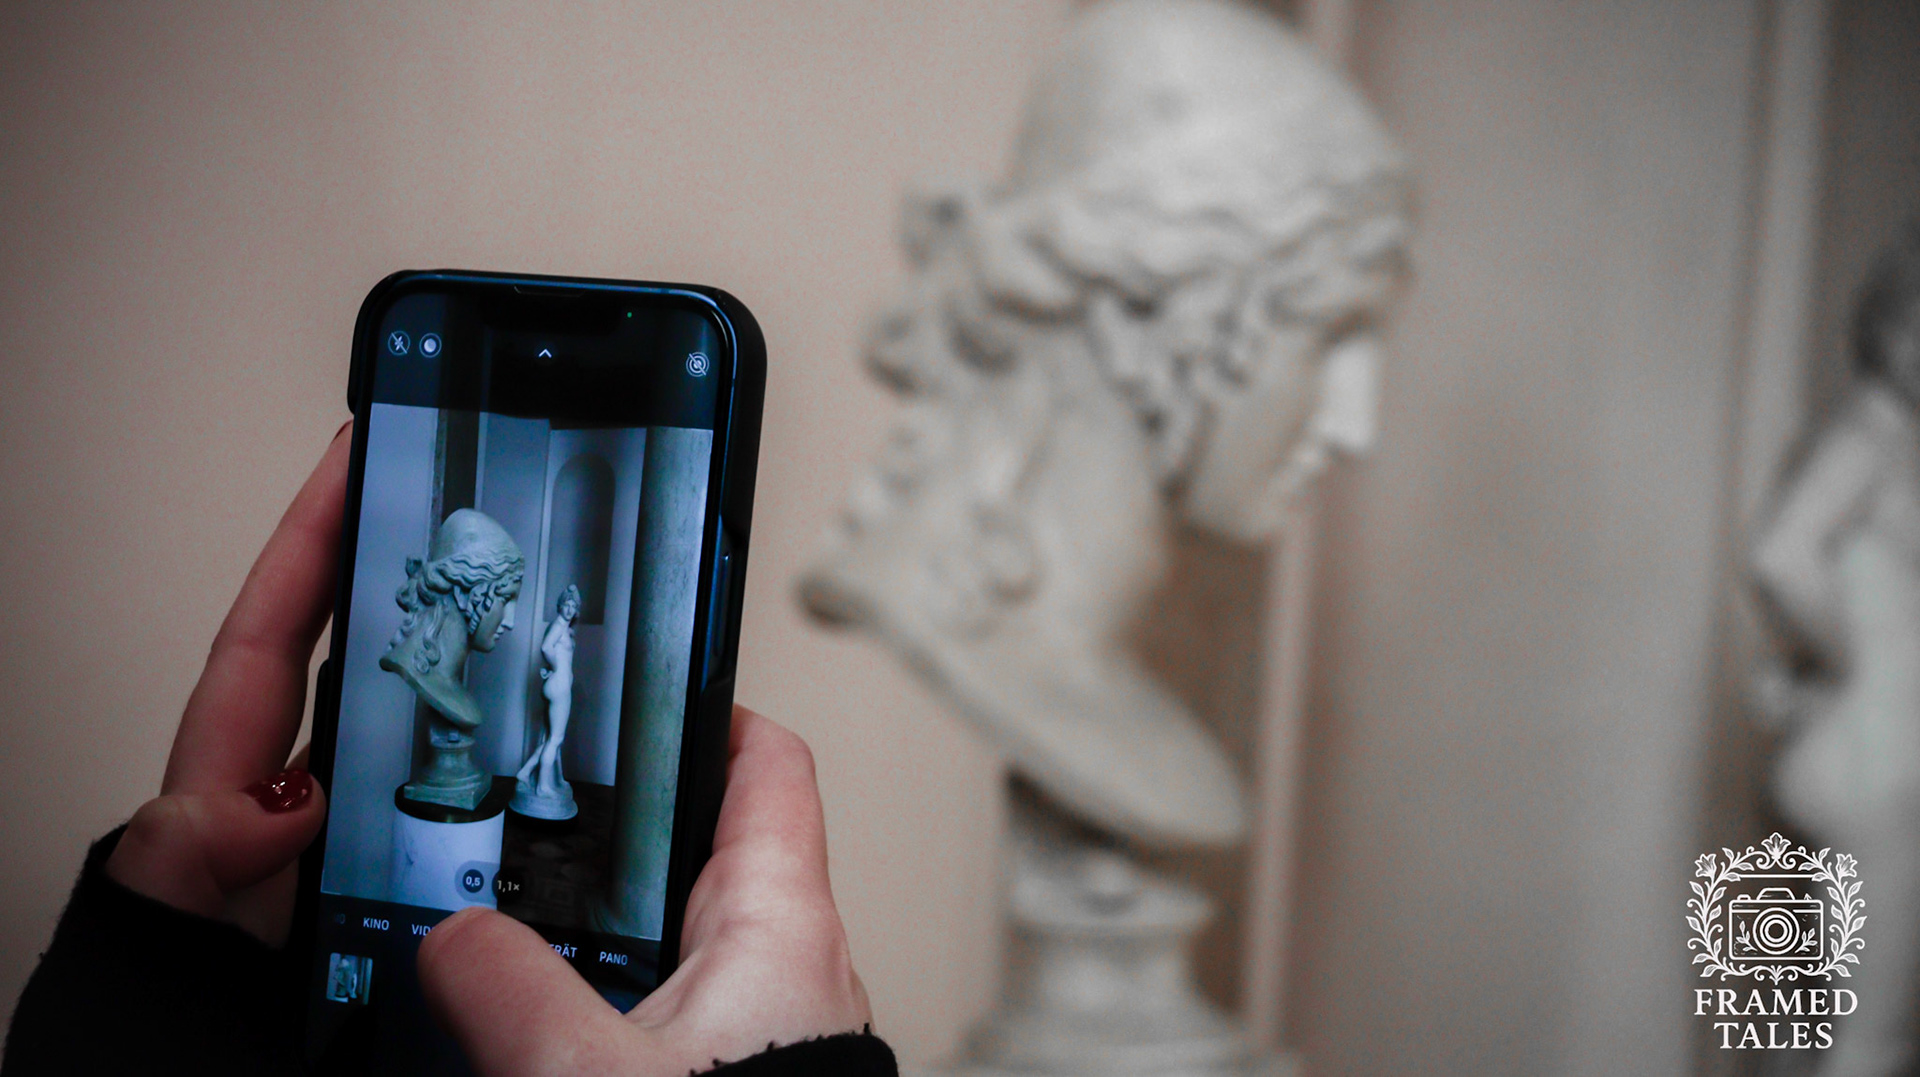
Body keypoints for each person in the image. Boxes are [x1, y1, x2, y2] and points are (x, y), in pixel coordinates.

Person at [2, 424, 891, 1076]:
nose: (512, 616)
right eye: (504, 595)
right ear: (474, 594)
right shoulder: (439, 672)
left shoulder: (480, 667)